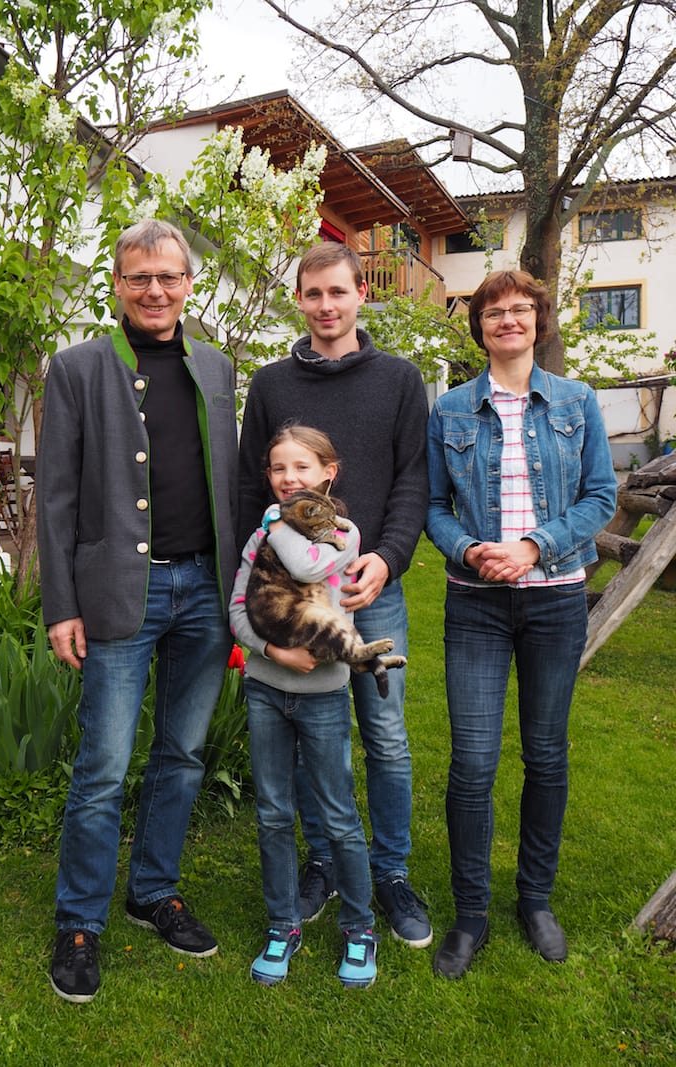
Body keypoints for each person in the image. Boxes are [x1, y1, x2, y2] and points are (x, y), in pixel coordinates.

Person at [37, 219, 238, 1003]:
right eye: (139, 277)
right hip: (122, 591)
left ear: (189, 283)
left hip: (205, 592)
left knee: (181, 754)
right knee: (103, 767)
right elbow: (56, 497)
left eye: (169, 276)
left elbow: (231, 482)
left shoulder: (216, 367)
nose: (155, 290)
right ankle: (78, 922)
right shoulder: (77, 368)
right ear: (118, 284)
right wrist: (62, 605)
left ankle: (153, 891)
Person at [237, 243, 432, 948]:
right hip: (296, 599)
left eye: (338, 292)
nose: (326, 305)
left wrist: (387, 557)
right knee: (309, 733)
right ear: (299, 298)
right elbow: (250, 489)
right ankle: (321, 861)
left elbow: (414, 479)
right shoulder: (270, 384)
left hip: (367, 586)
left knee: (385, 736)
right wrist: (256, 592)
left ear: (359, 295)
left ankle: (390, 871)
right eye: (313, 293)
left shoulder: (400, 380)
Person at [425, 269, 617, 979]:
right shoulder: (449, 409)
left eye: (520, 310)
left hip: (555, 600)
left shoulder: (576, 400)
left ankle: (535, 900)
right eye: (494, 312)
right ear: (479, 328)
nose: (508, 320)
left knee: (546, 754)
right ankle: (470, 913)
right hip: (475, 604)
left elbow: (601, 494)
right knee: (473, 762)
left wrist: (535, 546)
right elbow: (434, 506)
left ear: (539, 320)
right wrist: (468, 549)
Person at [230, 426, 379, 988]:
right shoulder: (259, 538)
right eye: (278, 469)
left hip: (323, 697)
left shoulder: (342, 533)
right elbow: (238, 610)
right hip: (267, 691)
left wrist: (276, 522)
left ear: (327, 474)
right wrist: (273, 652)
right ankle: (282, 923)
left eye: (301, 467)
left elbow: (310, 568)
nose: (288, 478)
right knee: (273, 813)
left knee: (338, 815)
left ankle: (359, 927)